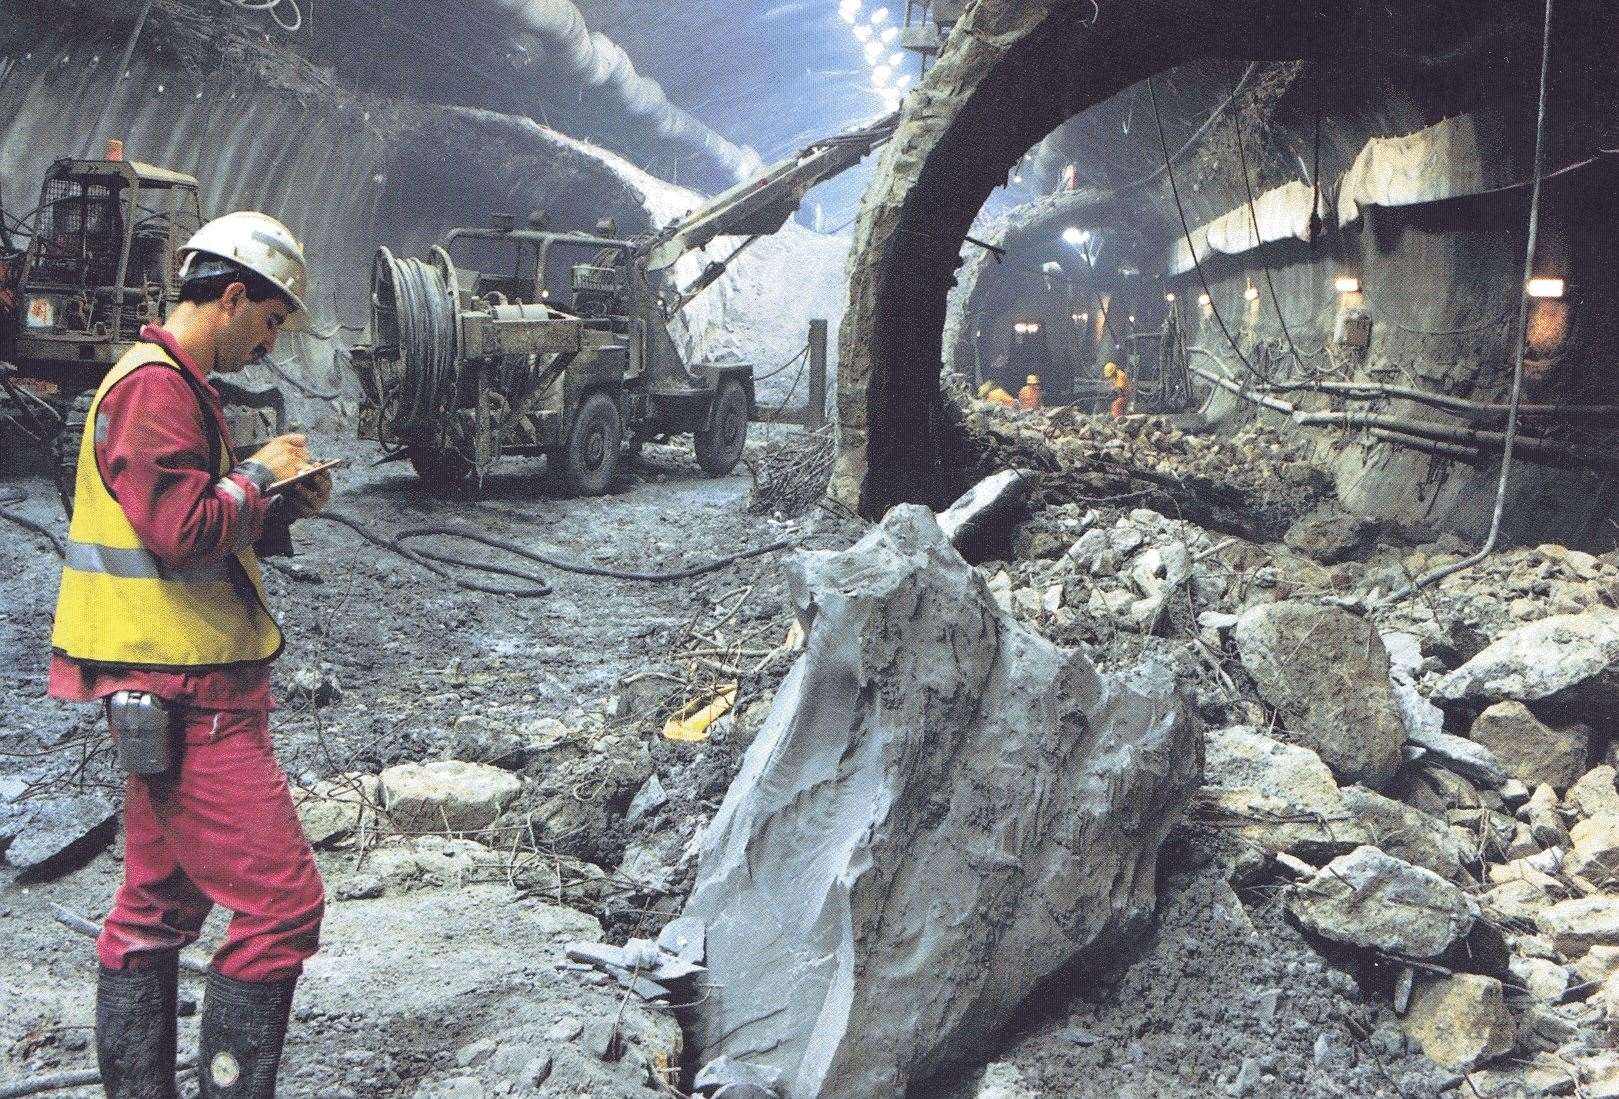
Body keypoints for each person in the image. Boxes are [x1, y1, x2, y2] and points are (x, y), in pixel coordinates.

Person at [48, 211, 332, 1099]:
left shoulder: (170, 385)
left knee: (155, 905)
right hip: (188, 693)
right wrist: (255, 475)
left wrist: (273, 499)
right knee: (282, 908)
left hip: (167, 686)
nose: (271, 340)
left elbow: (193, 522)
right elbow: (180, 530)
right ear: (233, 295)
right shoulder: (156, 387)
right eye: (271, 320)